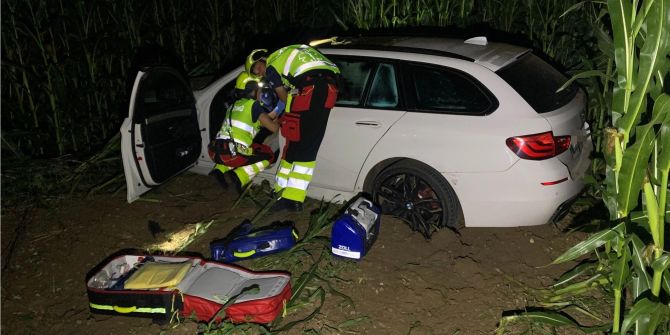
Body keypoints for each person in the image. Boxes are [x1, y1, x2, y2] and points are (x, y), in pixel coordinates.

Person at [246, 44, 340, 212]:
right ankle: (291, 198)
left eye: (258, 69)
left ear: (262, 59)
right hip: (328, 89)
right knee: (304, 147)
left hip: (311, 91)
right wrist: (277, 113)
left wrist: (277, 115)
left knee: (298, 147)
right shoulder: (292, 52)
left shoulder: (273, 63)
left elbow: (283, 95)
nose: (260, 73)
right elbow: (289, 96)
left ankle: (284, 198)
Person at [208, 72, 280, 194]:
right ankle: (239, 177)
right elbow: (273, 128)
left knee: (250, 149)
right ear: (253, 91)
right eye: (259, 90)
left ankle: (218, 171)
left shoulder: (234, 105)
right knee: (268, 156)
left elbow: (258, 121)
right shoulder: (253, 106)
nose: (261, 92)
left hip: (216, 151)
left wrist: (275, 112)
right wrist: (280, 120)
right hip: (233, 153)